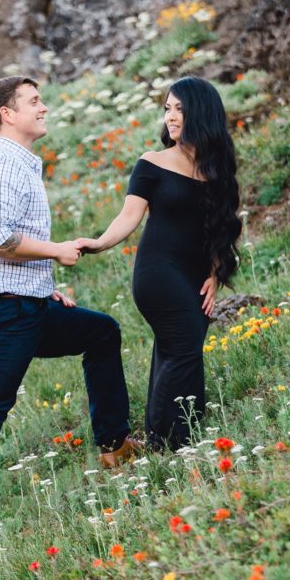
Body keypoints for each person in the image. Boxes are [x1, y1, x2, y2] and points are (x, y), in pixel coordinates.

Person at [0, 76, 141, 533]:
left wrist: (42, 285)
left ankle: (115, 446)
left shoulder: (21, 164)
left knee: (100, 331)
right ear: (7, 114)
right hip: (0, 312)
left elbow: (4, 241)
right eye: (34, 102)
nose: (44, 108)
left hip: (25, 303)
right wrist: (56, 250)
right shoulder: (3, 167)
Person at [76, 76, 242, 451]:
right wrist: (100, 243)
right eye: (167, 108)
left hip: (196, 276)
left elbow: (221, 226)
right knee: (183, 347)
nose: (170, 116)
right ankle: (169, 443)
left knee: (177, 347)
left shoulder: (216, 169)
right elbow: (129, 216)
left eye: (179, 108)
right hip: (158, 273)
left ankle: (173, 433)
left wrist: (216, 274)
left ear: (200, 112)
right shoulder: (151, 163)